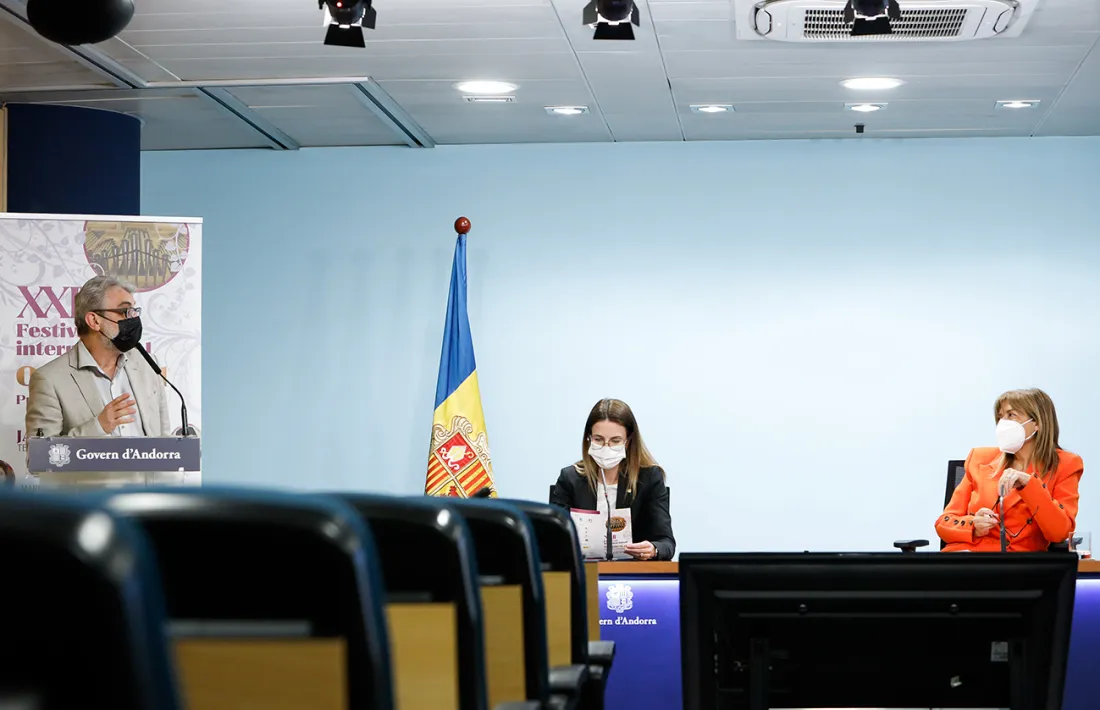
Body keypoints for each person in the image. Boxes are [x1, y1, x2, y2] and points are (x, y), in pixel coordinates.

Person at [25, 275, 169, 442]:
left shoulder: (148, 365)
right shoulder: (49, 380)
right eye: (124, 311)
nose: (133, 319)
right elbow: (41, 459)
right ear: (94, 320)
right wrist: (98, 427)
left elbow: (164, 442)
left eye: (134, 311)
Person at [937, 388, 1083, 552]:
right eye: (1000, 417)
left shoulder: (1066, 464)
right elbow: (943, 523)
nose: (1002, 423)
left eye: (1011, 415)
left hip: (1017, 566)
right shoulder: (979, 458)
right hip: (966, 557)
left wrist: (1029, 484)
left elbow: (1059, 532)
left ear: (1037, 423)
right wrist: (973, 525)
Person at [551, 398, 675, 561]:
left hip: (633, 574)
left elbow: (666, 543)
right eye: (598, 439)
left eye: (615, 441)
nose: (606, 447)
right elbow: (553, 540)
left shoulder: (649, 479)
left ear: (628, 441)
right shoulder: (570, 479)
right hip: (584, 573)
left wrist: (653, 549)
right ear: (588, 438)